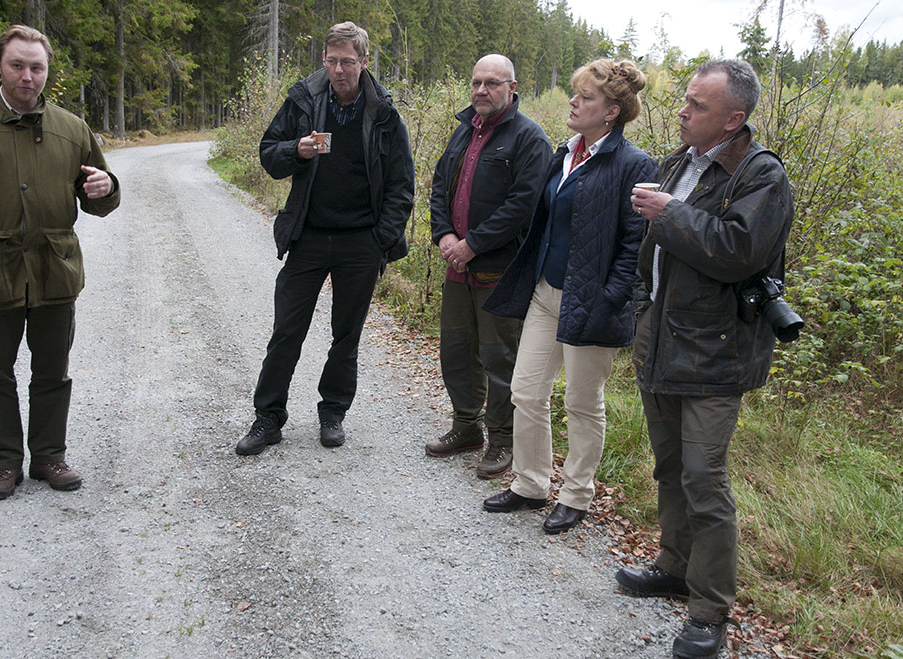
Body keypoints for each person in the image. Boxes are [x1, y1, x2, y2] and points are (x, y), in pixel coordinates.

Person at [616, 59, 794, 659]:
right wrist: (642, 310)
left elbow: (739, 249)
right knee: (669, 465)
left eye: (697, 105)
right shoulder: (678, 163)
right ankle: (673, 563)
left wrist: (669, 212)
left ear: (733, 119)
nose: (683, 111)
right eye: (685, 100)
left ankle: (709, 609)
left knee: (703, 478)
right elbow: (647, 260)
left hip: (716, 354)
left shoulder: (760, 174)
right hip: (662, 341)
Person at [0, 24, 121, 501]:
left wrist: (107, 188)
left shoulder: (73, 130)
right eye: (18, 65)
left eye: (37, 67)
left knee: (53, 371)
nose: (28, 76)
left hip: (55, 272)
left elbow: (98, 194)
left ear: (47, 70)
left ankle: (49, 455)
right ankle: (4, 463)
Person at [480, 60, 655, 532]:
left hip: (594, 302)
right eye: (575, 94)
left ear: (612, 111)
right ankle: (531, 484)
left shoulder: (634, 165)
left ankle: (577, 494)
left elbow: (633, 245)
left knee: (582, 402)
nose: (574, 103)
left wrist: (610, 298)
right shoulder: (566, 151)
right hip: (545, 293)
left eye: (585, 97)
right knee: (526, 392)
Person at [236, 21, 414, 455]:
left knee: (346, 335)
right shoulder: (303, 100)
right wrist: (294, 150)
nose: (339, 69)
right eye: (332, 60)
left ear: (364, 62)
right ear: (324, 60)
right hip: (309, 236)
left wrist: (381, 238)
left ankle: (332, 413)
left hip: (360, 242)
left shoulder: (384, 112)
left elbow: (401, 184)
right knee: (286, 331)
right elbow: (268, 154)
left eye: (348, 62)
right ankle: (268, 418)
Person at [423, 54, 551, 479]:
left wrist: (472, 244)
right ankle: (465, 427)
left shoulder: (529, 138)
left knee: (499, 356)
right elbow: (441, 184)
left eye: (492, 83)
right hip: (457, 268)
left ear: (512, 88)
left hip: (499, 270)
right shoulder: (465, 130)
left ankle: (502, 439)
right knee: (457, 350)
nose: (481, 90)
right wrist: (444, 235)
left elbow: (523, 205)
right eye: (476, 82)